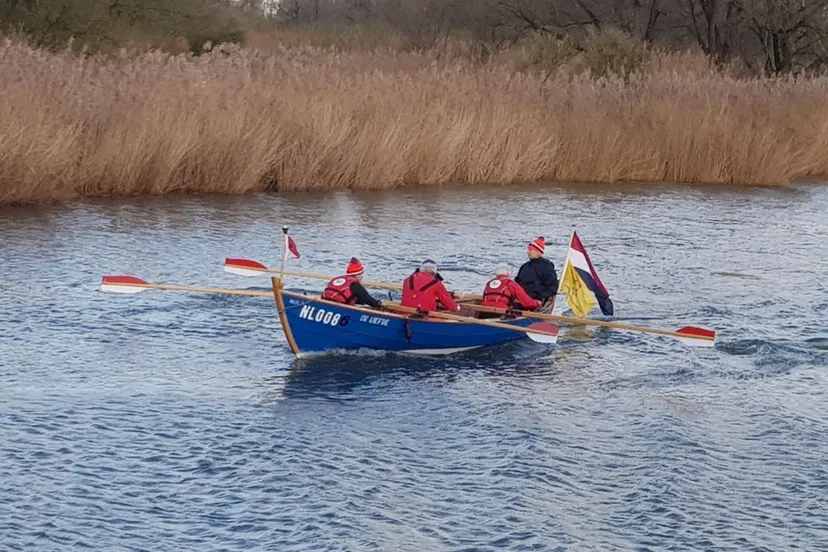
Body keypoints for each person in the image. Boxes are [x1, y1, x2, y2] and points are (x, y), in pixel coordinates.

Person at [515, 236, 559, 308]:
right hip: (521, 299)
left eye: (531, 250)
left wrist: (540, 297)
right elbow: (517, 283)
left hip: (537, 300)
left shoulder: (547, 267)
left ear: (539, 252)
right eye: (528, 249)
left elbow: (551, 287)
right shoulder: (524, 266)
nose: (528, 252)